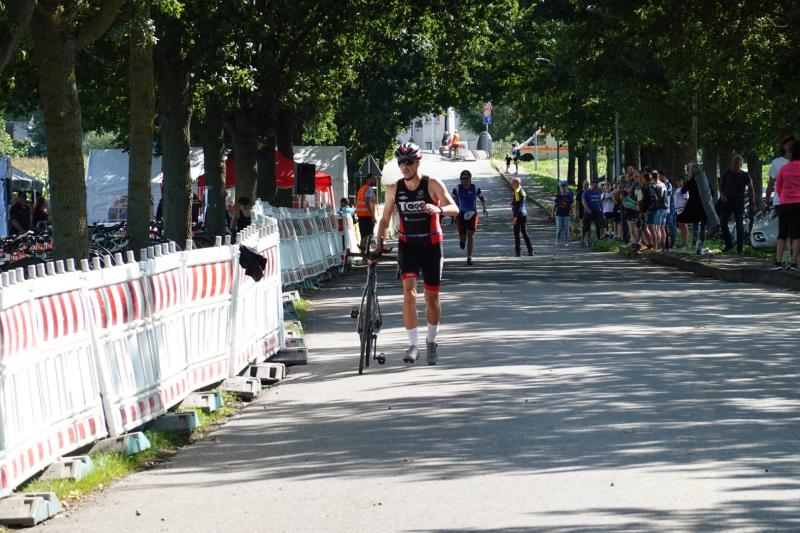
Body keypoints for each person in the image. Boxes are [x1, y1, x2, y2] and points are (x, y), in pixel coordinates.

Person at [376, 142, 459, 365]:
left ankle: (431, 341)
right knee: (409, 293)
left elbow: (455, 208)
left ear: (418, 162)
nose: (405, 166)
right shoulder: (394, 189)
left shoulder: (431, 184)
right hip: (408, 246)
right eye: (401, 162)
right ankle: (413, 345)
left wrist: (439, 209)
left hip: (431, 245)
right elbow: (384, 219)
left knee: (432, 298)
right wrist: (378, 241)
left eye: (409, 162)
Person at [765, 135, 795, 267]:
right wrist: (767, 201)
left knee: (793, 233)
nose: (790, 146)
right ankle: (786, 259)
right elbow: (771, 183)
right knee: (786, 232)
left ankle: (791, 259)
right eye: (788, 143)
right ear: (783, 146)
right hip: (780, 201)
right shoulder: (777, 162)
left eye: (793, 144)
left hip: (796, 201)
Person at [718, 154, 756, 255]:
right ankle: (729, 244)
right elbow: (720, 185)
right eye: (734, 163)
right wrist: (722, 195)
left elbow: (751, 189)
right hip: (727, 202)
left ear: (741, 164)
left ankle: (740, 248)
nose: (735, 165)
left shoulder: (745, 175)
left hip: (739, 202)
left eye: (737, 163)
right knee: (722, 223)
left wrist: (752, 202)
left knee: (739, 225)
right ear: (732, 163)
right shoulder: (727, 173)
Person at [772, 139, 800, 271]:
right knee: (797, 234)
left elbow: (778, 188)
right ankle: (794, 263)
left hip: (784, 204)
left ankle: (778, 262)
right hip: (799, 204)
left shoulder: (784, 168)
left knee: (782, 233)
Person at [451, 169, 488, 265]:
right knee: (463, 237)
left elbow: (482, 198)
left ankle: (469, 258)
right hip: (461, 215)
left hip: (472, 214)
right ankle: (462, 241)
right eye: (463, 178)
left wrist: (484, 207)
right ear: (460, 179)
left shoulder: (475, 187)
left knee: (470, 235)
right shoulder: (457, 188)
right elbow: (452, 201)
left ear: (470, 179)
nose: (465, 180)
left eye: (467, 178)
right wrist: (453, 214)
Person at [676, 170, 708, 255]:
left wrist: (688, 183)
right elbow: (711, 192)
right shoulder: (704, 181)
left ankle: (694, 244)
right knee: (702, 226)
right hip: (704, 206)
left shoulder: (691, 181)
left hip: (694, 206)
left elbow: (683, 191)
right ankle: (700, 245)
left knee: (695, 226)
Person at [509, 176, 534, 256]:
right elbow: (521, 202)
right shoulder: (522, 191)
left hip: (518, 214)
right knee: (524, 233)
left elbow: (518, 205)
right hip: (524, 214)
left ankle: (518, 252)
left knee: (516, 233)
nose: (511, 184)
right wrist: (512, 203)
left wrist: (515, 217)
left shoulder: (516, 191)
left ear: (517, 183)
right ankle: (530, 250)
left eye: (513, 183)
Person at [355, 173, 378, 250]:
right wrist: (373, 216)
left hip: (361, 215)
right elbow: (367, 202)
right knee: (368, 235)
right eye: (373, 179)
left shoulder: (362, 188)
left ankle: (363, 252)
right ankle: (366, 251)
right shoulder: (369, 189)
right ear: (368, 179)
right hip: (367, 215)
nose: (375, 180)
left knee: (363, 235)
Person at [581, 178, 603, 246]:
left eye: (597, 185)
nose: (596, 186)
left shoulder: (598, 192)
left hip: (597, 211)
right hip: (589, 212)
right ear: (591, 184)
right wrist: (588, 209)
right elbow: (583, 202)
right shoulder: (586, 192)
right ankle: (582, 240)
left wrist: (601, 208)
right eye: (595, 185)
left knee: (598, 225)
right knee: (586, 227)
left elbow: (600, 200)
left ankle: (597, 240)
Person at [552, 180, 573, 247]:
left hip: (567, 214)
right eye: (562, 187)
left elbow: (570, 205)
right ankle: (557, 240)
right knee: (559, 229)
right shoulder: (558, 195)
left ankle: (566, 242)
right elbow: (555, 205)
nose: (563, 188)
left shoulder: (569, 196)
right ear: (560, 188)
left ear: (566, 187)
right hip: (559, 214)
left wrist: (572, 213)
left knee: (566, 229)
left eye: (564, 187)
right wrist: (553, 213)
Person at [673, 176, 690, 250]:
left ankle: (685, 243)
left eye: (679, 180)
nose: (678, 182)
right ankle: (683, 243)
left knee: (684, 225)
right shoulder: (677, 189)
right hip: (678, 209)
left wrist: (686, 209)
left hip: (683, 209)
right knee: (680, 226)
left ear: (682, 181)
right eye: (677, 181)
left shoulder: (684, 189)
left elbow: (687, 199)